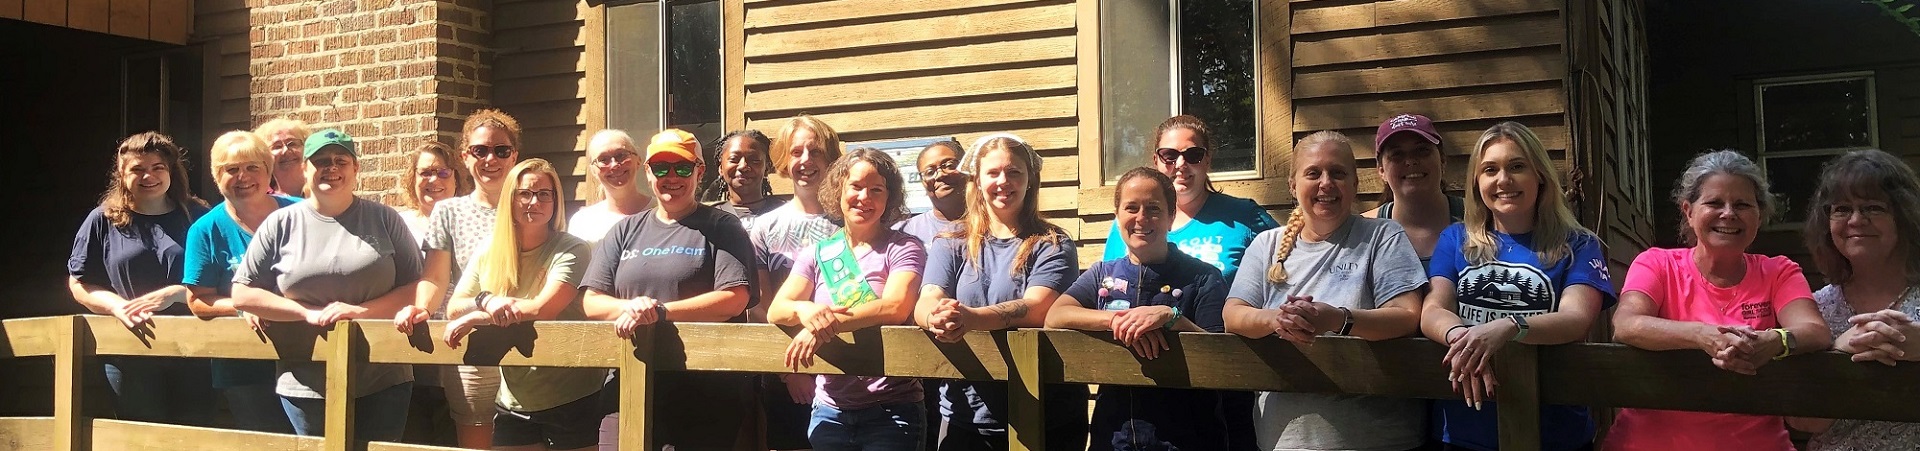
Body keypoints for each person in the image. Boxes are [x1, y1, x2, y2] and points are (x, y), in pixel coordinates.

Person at [1604, 150, 1831, 451]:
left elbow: (1814, 330)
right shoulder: (1656, 264)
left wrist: (1776, 340)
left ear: (1759, 215)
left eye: (1742, 205)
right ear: (1688, 211)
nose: (1728, 213)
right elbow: (1626, 324)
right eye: (1714, 203)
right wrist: (1702, 335)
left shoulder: (1778, 271)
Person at [1221, 130, 1428, 451]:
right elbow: (1233, 315)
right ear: (1293, 185)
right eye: (1313, 173)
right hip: (1284, 441)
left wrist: (1338, 320)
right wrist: (1278, 320)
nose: (1326, 183)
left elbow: (1407, 316)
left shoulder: (1382, 236)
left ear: (1355, 185)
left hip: (1377, 439)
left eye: (1338, 173)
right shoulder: (1266, 245)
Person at [1418, 122, 1615, 451]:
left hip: (1555, 431)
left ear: (1540, 175)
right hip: (1464, 431)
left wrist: (1509, 327)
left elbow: (1576, 318)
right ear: (1477, 182)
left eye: (1517, 166)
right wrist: (1462, 339)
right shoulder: (1455, 239)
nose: (1503, 180)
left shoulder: (1579, 244)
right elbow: (1434, 309)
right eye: (1490, 170)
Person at [231, 129, 421, 445]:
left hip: (384, 376)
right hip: (304, 378)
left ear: (356, 169)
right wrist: (305, 313)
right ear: (305, 168)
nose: (330, 168)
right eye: (320, 161)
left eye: (340, 160)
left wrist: (361, 312)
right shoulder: (281, 223)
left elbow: (416, 285)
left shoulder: (384, 219)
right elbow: (243, 291)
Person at [579, 129, 764, 450]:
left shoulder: (722, 226)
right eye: (661, 168)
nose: (672, 177)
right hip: (628, 382)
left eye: (682, 168)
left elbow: (734, 298)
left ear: (700, 171)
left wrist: (657, 312)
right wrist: (634, 309)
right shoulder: (625, 230)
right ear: (648, 172)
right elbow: (592, 301)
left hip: (703, 391)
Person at [917, 133, 1087, 451]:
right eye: (993, 173)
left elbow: (1037, 308)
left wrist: (969, 318)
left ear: (1030, 180)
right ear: (978, 180)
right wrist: (935, 316)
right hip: (964, 416)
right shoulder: (950, 241)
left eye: (1014, 172)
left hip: (1042, 416)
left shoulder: (1052, 243)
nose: (1003, 181)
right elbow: (928, 297)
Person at [1046, 167, 1235, 451]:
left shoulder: (1203, 277)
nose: (1141, 218)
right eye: (1131, 208)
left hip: (1188, 439)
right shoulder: (1102, 274)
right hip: (1114, 438)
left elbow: (1223, 354)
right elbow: (1056, 316)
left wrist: (1170, 318)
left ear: (1172, 217)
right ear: (1117, 215)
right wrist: (1119, 321)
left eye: (1154, 209)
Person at [438, 158, 604, 451]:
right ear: (510, 199)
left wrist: (476, 318)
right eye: (524, 193)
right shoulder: (490, 250)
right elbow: (455, 306)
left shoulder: (572, 248)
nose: (534, 201)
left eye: (544, 194)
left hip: (572, 395)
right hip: (514, 397)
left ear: (555, 201)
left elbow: (543, 308)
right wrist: (487, 301)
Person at [768, 148, 927, 450]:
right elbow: (778, 309)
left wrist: (825, 324)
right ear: (838, 190)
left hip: (891, 410)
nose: (864, 197)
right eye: (856, 186)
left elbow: (896, 306)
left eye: (876, 189)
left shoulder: (904, 247)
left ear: (888, 197)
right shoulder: (818, 253)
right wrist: (806, 309)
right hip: (830, 411)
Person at [400, 108, 526, 449]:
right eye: (480, 150)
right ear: (465, 156)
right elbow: (435, 276)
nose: (491, 159)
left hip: (527, 339)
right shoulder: (449, 211)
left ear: (514, 156)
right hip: (473, 345)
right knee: (475, 439)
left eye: (501, 151)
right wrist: (422, 308)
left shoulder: (531, 204)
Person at [67, 131, 213, 425]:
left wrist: (176, 293)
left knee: (195, 435)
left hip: (197, 348)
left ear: (171, 171)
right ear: (122, 174)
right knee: (140, 436)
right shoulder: (102, 219)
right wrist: (116, 306)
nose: (149, 176)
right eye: (138, 169)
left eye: (157, 167)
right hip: (131, 349)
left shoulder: (198, 216)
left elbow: (224, 279)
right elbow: (79, 282)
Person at [1787, 149, 1920, 449]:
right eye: (1842, 209)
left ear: (1905, 216)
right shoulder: (1811, 309)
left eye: (1873, 208)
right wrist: (1838, 353)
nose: (1856, 220)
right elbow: (1805, 422)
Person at [181, 131, 300, 434]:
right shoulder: (205, 229)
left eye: (252, 167)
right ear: (216, 176)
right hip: (245, 365)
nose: (242, 177)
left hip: (308, 356)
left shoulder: (301, 213)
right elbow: (198, 300)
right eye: (231, 169)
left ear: (268, 170)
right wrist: (243, 306)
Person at [751, 115, 846, 450]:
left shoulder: (850, 223)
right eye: (796, 152)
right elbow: (760, 307)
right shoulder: (764, 228)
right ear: (783, 161)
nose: (806, 161)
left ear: (831, 158)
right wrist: (789, 373)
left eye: (816, 151)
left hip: (846, 371)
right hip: (787, 372)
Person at [1102, 115, 1277, 280]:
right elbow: (1106, 288)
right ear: (1156, 160)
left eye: (1193, 155)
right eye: (1169, 156)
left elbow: (1291, 266)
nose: (1180, 164)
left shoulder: (1244, 216)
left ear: (1207, 160)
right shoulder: (1129, 224)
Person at [1363, 113, 1466, 267]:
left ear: (1442, 160)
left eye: (1422, 151)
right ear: (1381, 170)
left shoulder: (1479, 217)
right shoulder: (1361, 232)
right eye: (1397, 154)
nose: (1411, 161)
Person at [569, 129, 654, 243]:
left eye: (621, 155)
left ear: (638, 160)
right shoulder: (582, 222)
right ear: (593, 171)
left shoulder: (662, 211)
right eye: (603, 159)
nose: (614, 165)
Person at [398, 141, 473, 245]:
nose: (433, 179)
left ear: (456, 179)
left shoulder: (473, 224)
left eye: (443, 172)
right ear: (413, 179)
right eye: (425, 173)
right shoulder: (399, 226)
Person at [895, 140, 967, 245]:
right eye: (929, 172)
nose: (940, 174)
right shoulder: (903, 233)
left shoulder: (994, 223)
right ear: (922, 182)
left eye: (949, 166)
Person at [706, 129, 781, 229]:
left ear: (766, 168)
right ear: (721, 168)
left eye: (754, 160)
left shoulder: (784, 214)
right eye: (734, 159)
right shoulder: (708, 219)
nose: (743, 166)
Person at [253, 117, 312, 197]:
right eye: (277, 146)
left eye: (292, 144)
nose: (286, 151)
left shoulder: (323, 191)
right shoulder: (259, 197)